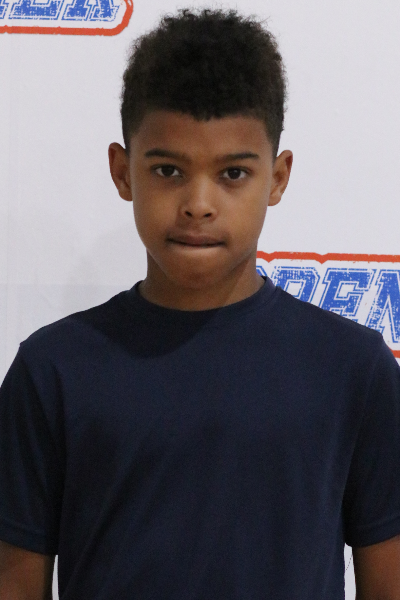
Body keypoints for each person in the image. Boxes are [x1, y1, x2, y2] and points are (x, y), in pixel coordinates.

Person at [0, 7, 400, 600]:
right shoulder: (51, 371)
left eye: (233, 173)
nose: (198, 203)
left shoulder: (354, 370)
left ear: (278, 178)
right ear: (122, 172)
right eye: (168, 169)